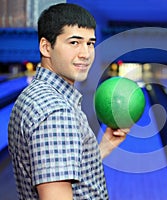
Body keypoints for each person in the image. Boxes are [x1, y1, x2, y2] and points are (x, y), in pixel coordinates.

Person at [8, 3, 129, 200]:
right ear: (46, 47)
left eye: (90, 43)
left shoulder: (35, 95)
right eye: (74, 42)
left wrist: (104, 147)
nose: (86, 53)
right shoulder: (56, 111)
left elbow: (62, 170)